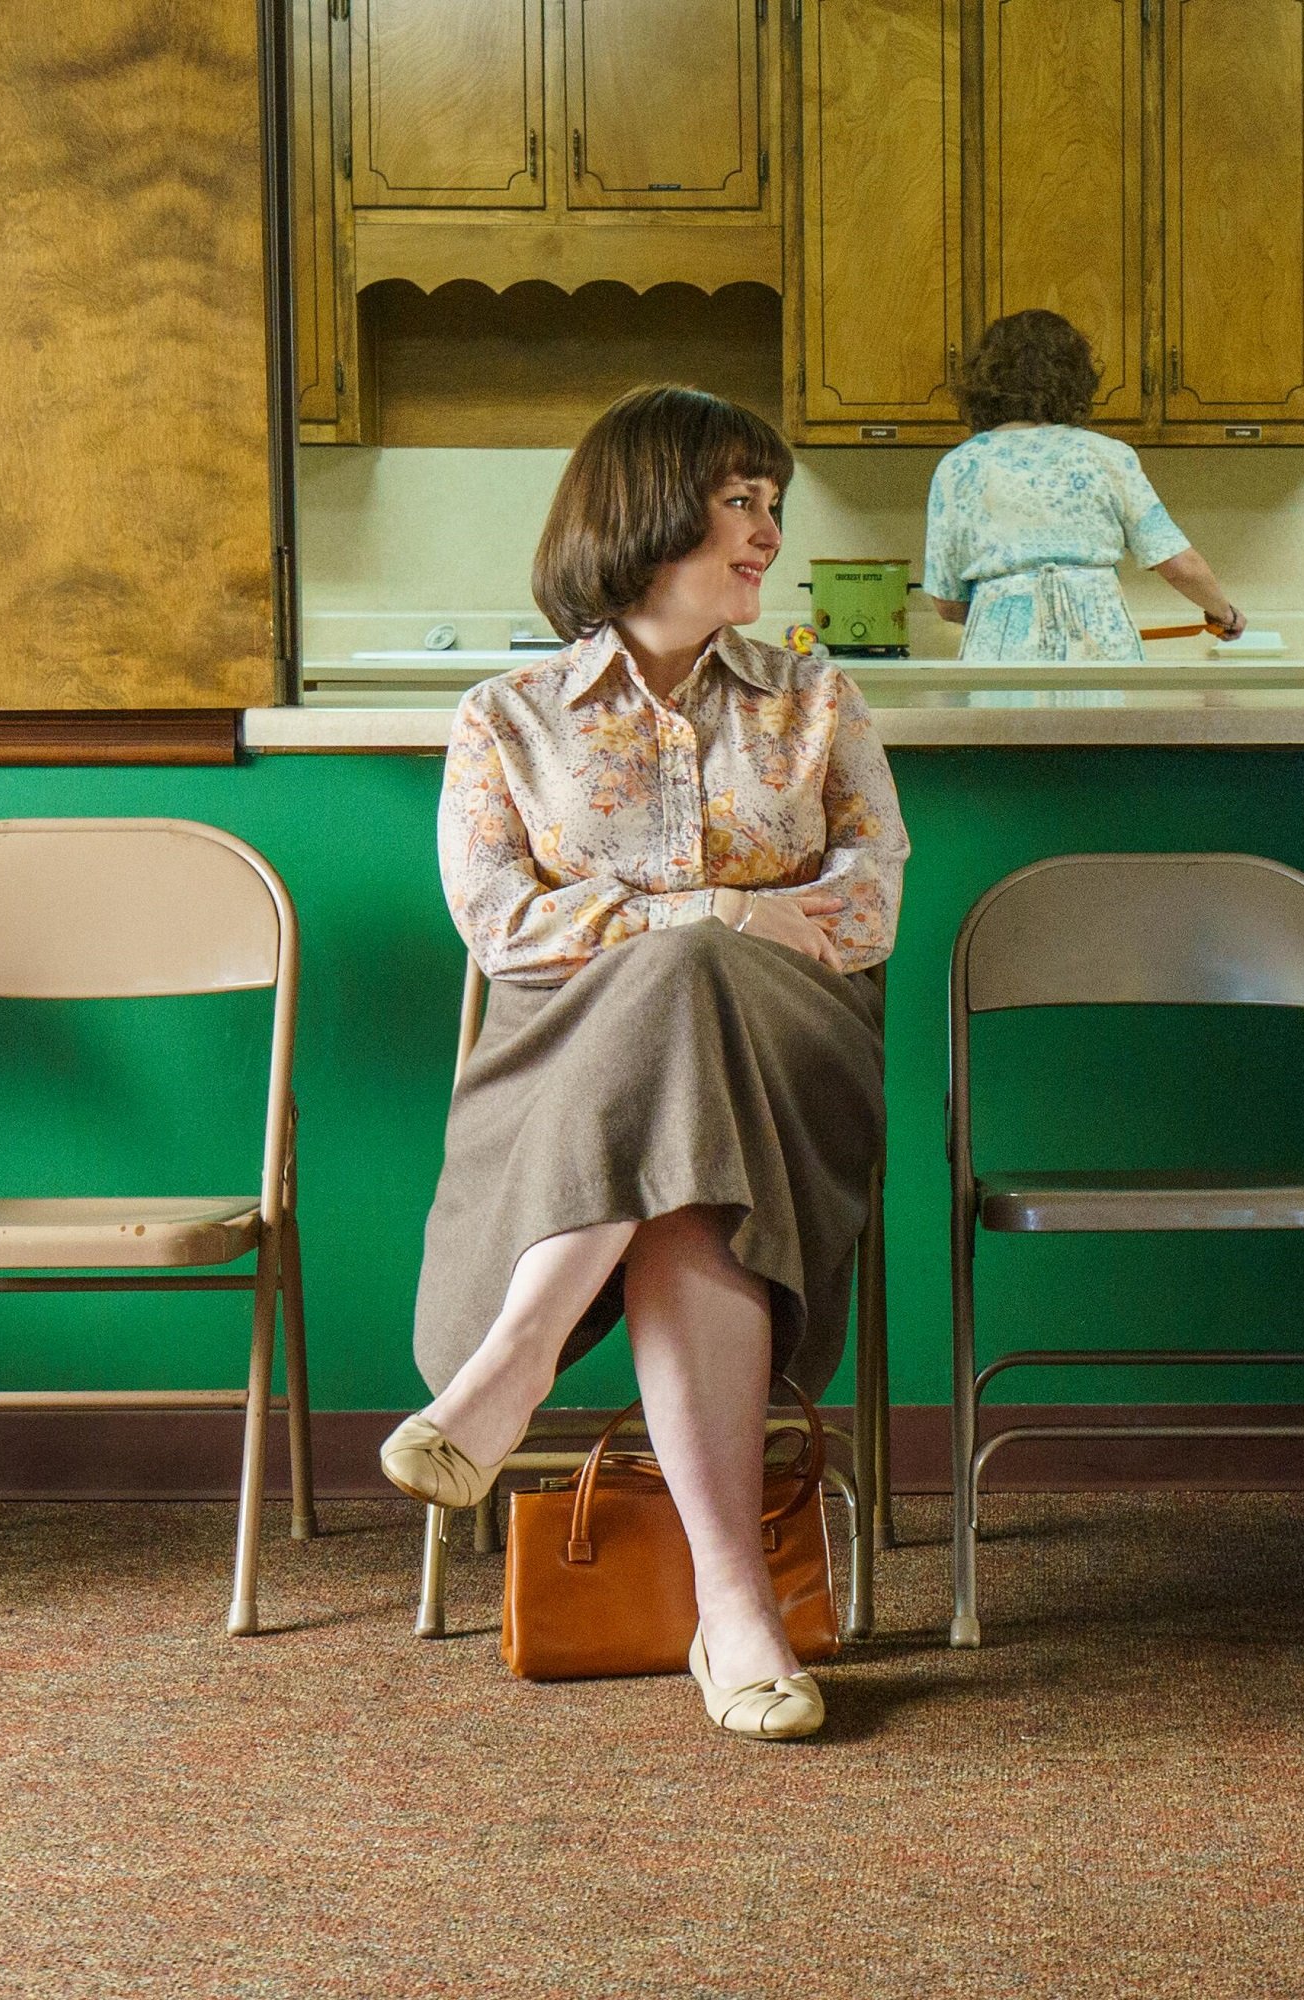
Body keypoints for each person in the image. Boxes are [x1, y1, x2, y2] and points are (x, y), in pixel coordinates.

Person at [383, 385, 909, 1744]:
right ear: (648, 514)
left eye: (772, 506)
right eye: (741, 501)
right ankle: (737, 1614)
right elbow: (500, 925)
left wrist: (701, 936)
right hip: (563, 1082)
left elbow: (867, 908)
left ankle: (514, 1360)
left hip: (797, 1063)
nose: (768, 534)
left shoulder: (819, 700)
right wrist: (717, 912)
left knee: (692, 996)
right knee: (687, 1135)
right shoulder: (507, 719)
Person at [923, 310, 1246, 660]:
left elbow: (947, 604)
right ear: (1076, 378)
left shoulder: (959, 467)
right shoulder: (1106, 456)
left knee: (1005, 718)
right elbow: (1178, 565)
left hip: (1000, 654)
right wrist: (1224, 614)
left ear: (982, 382)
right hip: (1099, 649)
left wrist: (1008, 605)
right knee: (1097, 717)